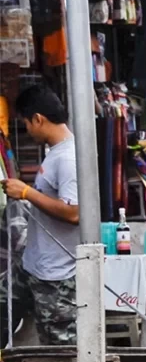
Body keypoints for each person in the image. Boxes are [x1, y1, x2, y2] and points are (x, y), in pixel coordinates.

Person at [0, 86, 80, 345]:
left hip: (55, 274)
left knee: (59, 347)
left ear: (38, 119)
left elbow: (74, 212)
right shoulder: (56, 152)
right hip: (33, 265)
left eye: (25, 123)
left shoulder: (68, 157)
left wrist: (26, 192)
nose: (27, 129)